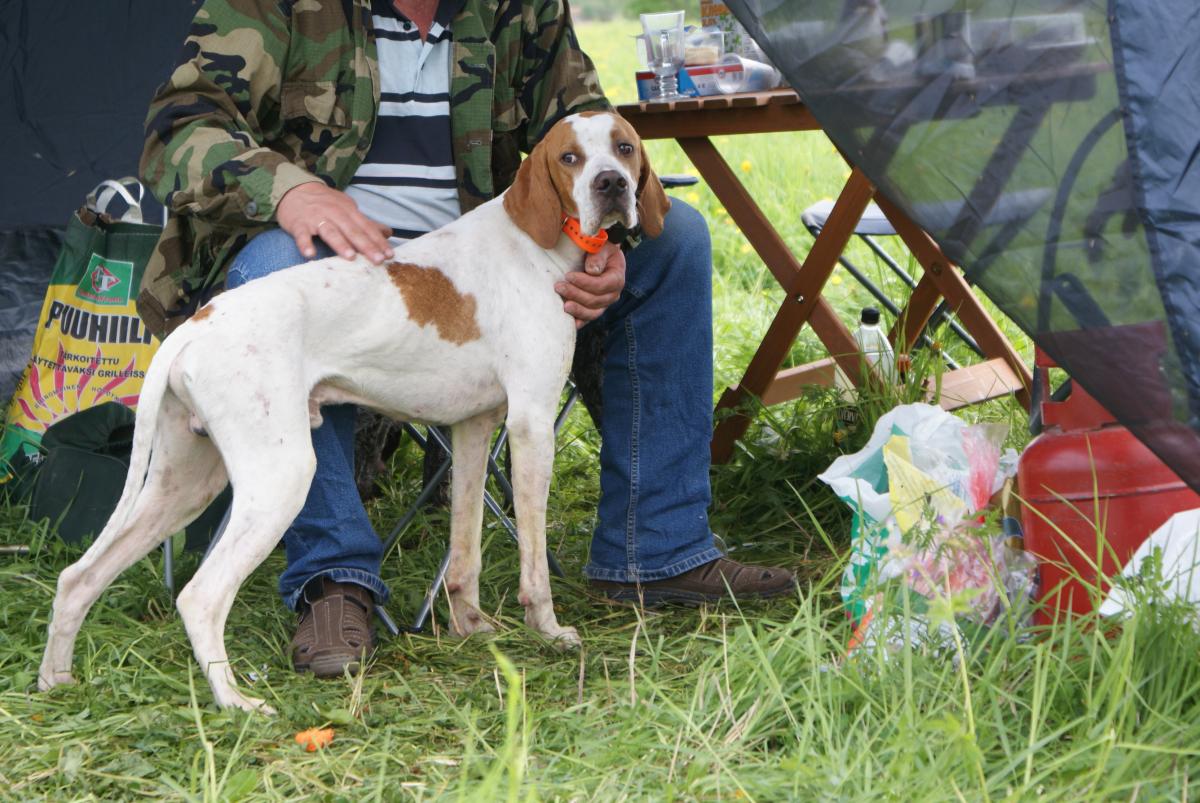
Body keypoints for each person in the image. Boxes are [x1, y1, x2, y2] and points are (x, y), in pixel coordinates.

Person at [139, 0, 795, 677]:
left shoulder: (519, 5)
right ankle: (334, 580)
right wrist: (287, 191)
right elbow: (180, 126)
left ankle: (655, 547)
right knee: (279, 266)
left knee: (676, 239)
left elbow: (582, 124)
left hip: (492, 265)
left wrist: (608, 241)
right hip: (325, 259)